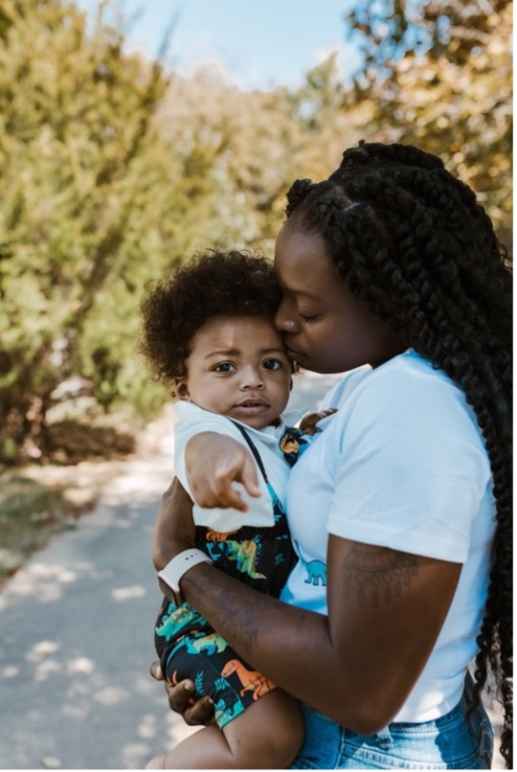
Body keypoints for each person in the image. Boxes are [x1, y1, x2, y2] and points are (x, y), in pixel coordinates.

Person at [151, 142, 512, 769]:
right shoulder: (368, 388)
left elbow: (361, 689)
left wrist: (182, 567)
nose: (283, 323)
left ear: (388, 298)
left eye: (306, 308)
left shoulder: (410, 407)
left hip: (368, 749)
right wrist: (227, 672)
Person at [141, 250, 335, 768]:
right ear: (184, 387)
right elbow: (198, 446)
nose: (251, 379)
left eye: (270, 363)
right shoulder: (208, 429)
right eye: (224, 366)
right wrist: (212, 454)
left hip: (259, 626)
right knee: (274, 736)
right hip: (204, 626)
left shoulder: (278, 438)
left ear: (292, 375)